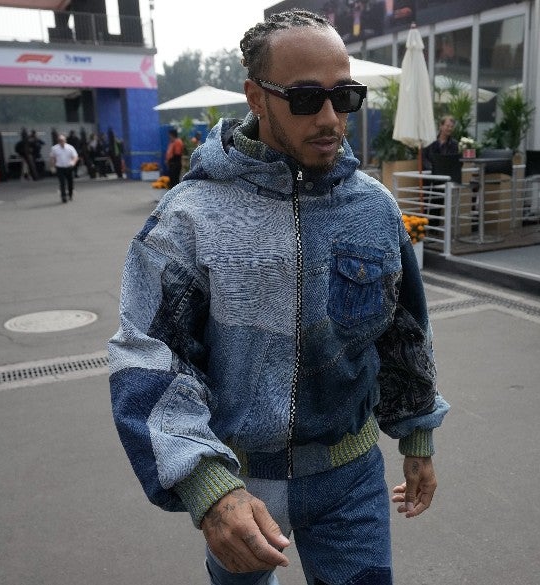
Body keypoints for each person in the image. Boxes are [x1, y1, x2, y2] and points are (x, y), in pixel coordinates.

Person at [109, 9, 448, 585]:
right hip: (242, 488)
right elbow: (150, 356)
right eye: (305, 98)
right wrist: (208, 490)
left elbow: (403, 331)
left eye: (345, 97)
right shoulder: (190, 217)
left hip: (352, 481)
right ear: (256, 97)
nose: (328, 117)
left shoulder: (373, 207)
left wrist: (418, 435)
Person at [49, 133, 78, 203]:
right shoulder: (54, 148)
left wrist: (73, 163)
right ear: (58, 141)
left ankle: (70, 194)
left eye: (62, 140)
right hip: (60, 167)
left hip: (69, 166)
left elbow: (75, 157)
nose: (61, 142)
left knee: (70, 182)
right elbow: (52, 158)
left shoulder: (70, 147)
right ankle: (63, 196)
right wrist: (52, 166)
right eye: (60, 140)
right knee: (62, 182)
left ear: (65, 140)